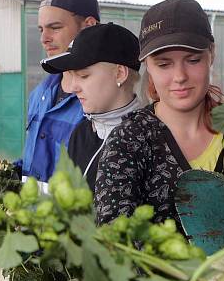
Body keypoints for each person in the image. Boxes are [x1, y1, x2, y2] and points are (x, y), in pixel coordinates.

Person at [93, 0, 224, 281]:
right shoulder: (129, 143)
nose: (180, 76)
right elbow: (115, 239)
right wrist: (196, 274)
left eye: (192, 59)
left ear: (211, 55)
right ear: (147, 65)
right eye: (164, 64)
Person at [40, 23, 146, 190]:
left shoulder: (151, 137)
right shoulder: (81, 133)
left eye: (83, 75)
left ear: (119, 73)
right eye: (71, 75)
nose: (74, 87)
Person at [18, 0, 100, 184]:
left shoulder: (104, 100)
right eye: (41, 29)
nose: (44, 39)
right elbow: (36, 157)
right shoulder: (40, 94)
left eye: (55, 28)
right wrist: (14, 174)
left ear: (89, 25)